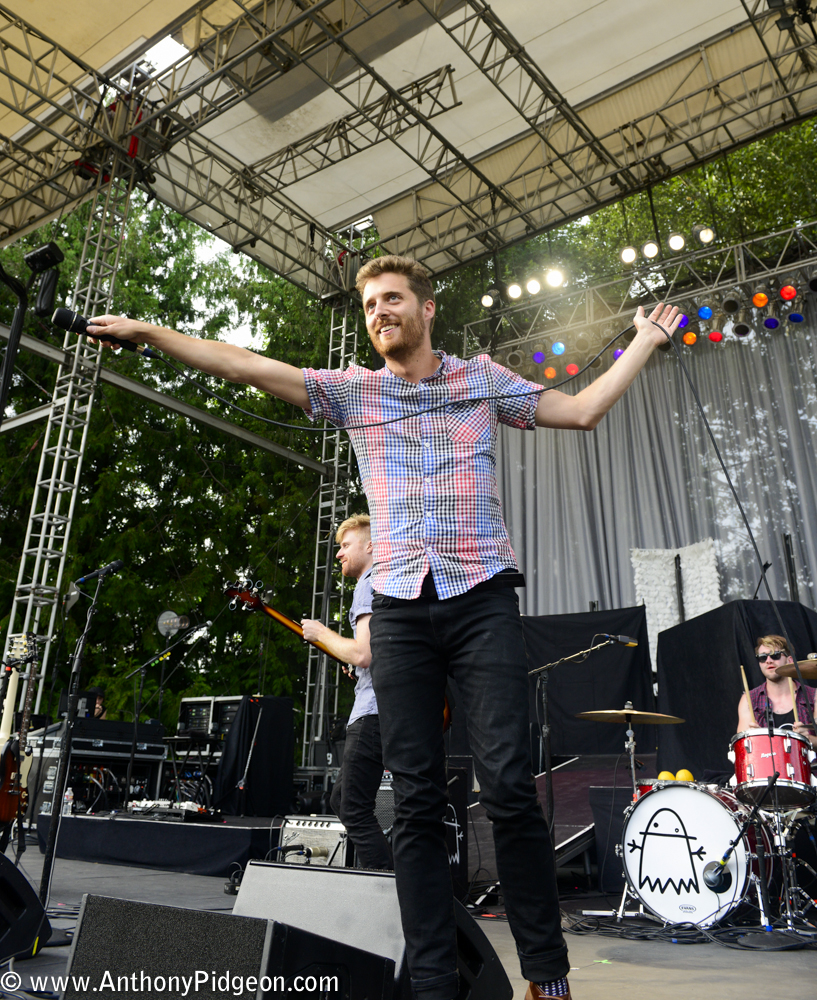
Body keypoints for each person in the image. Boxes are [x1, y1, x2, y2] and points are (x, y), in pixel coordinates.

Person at [85, 255, 680, 1000]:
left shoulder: (479, 379)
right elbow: (240, 364)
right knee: (417, 798)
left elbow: (583, 409)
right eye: (369, 304)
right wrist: (147, 330)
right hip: (397, 608)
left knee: (505, 784)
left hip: (481, 594)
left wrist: (643, 344)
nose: (378, 312)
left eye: (391, 299)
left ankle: (546, 976)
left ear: (426, 309)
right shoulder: (351, 392)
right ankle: (433, 983)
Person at [300, 513, 391, 870]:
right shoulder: (387, 584)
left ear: (370, 546)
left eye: (345, 545)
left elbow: (363, 653)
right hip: (383, 706)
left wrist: (322, 634)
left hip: (372, 713)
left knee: (351, 805)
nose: (339, 553)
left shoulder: (368, 584)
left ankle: (384, 887)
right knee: (343, 799)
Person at [737, 634, 817, 749]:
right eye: (763, 657)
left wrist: (808, 739)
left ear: (789, 660)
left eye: (775, 655)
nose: (768, 661)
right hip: (767, 766)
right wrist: (755, 739)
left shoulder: (813, 696)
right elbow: (742, 749)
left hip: (807, 766)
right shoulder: (749, 700)